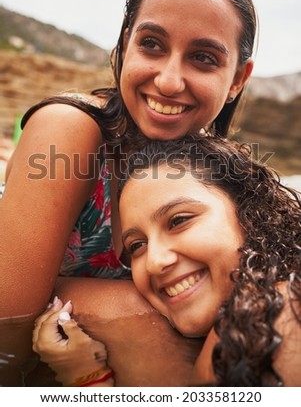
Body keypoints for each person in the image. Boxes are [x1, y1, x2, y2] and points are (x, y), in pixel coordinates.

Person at [0, 0, 256, 384]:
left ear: (237, 80)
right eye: (151, 44)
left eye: (204, 58)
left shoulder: (218, 174)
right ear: (124, 46)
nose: (170, 81)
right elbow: (6, 327)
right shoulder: (72, 132)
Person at [33, 135, 301, 387]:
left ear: (250, 214)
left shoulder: (278, 317)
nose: (154, 262)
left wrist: (87, 381)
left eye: (179, 220)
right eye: (137, 245)